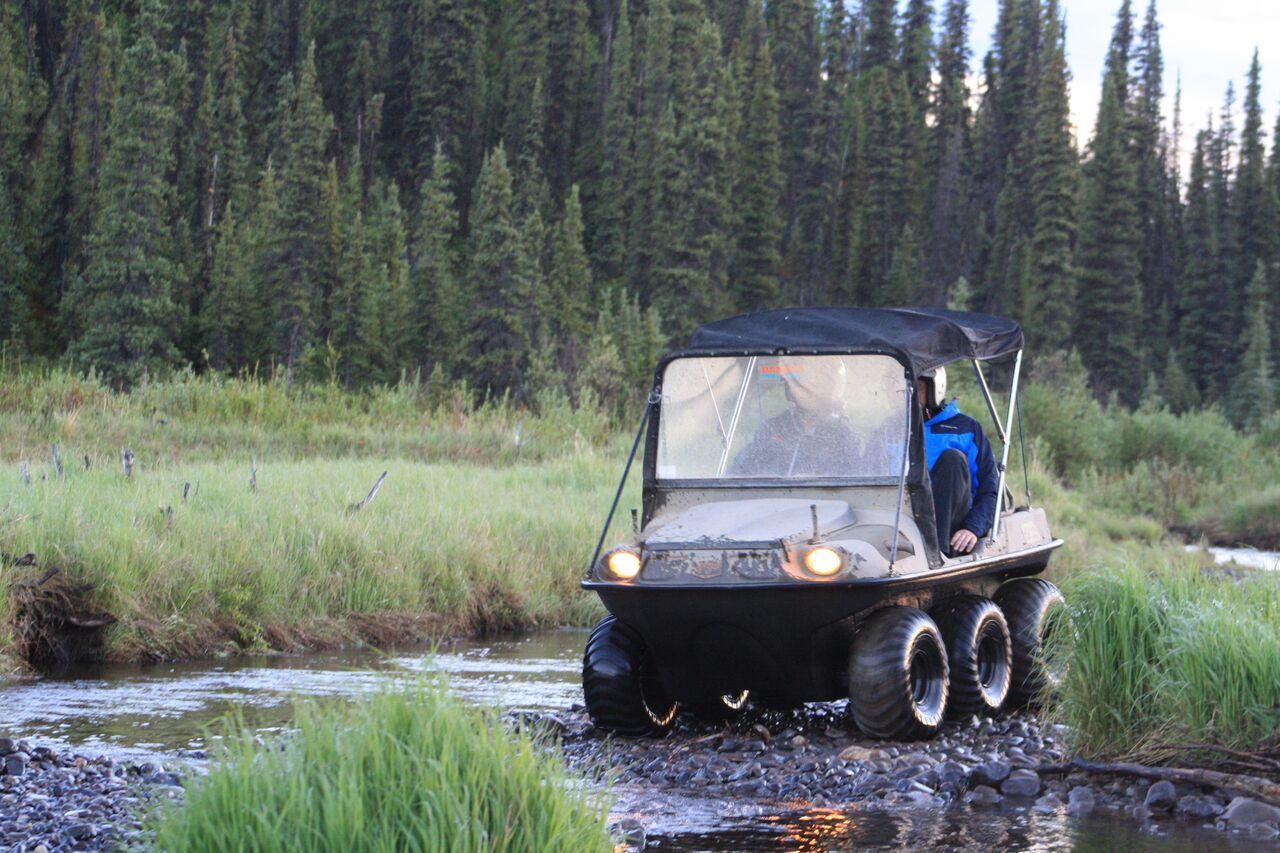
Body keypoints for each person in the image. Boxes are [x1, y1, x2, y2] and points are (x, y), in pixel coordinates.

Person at [727, 359, 860, 478]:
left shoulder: (842, 437)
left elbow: (844, 489)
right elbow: (738, 473)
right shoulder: (775, 427)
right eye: (801, 384)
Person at [918, 367, 999, 556]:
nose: (910, 395)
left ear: (935, 390)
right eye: (904, 389)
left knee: (952, 459)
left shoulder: (966, 428)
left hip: (951, 525)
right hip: (900, 520)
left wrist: (973, 528)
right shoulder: (888, 430)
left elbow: (990, 489)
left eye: (918, 388)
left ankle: (936, 552)